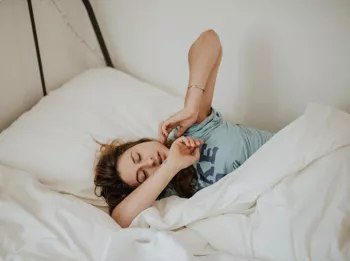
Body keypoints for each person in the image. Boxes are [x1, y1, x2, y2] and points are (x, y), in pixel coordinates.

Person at [94, 30, 274, 228]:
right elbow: (120, 219)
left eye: (138, 156)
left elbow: (210, 40)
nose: (150, 161)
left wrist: (192, 105)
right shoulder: (172, 194)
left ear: (141, 143)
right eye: (143, 175)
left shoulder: (189, 129)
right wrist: (171, 166)